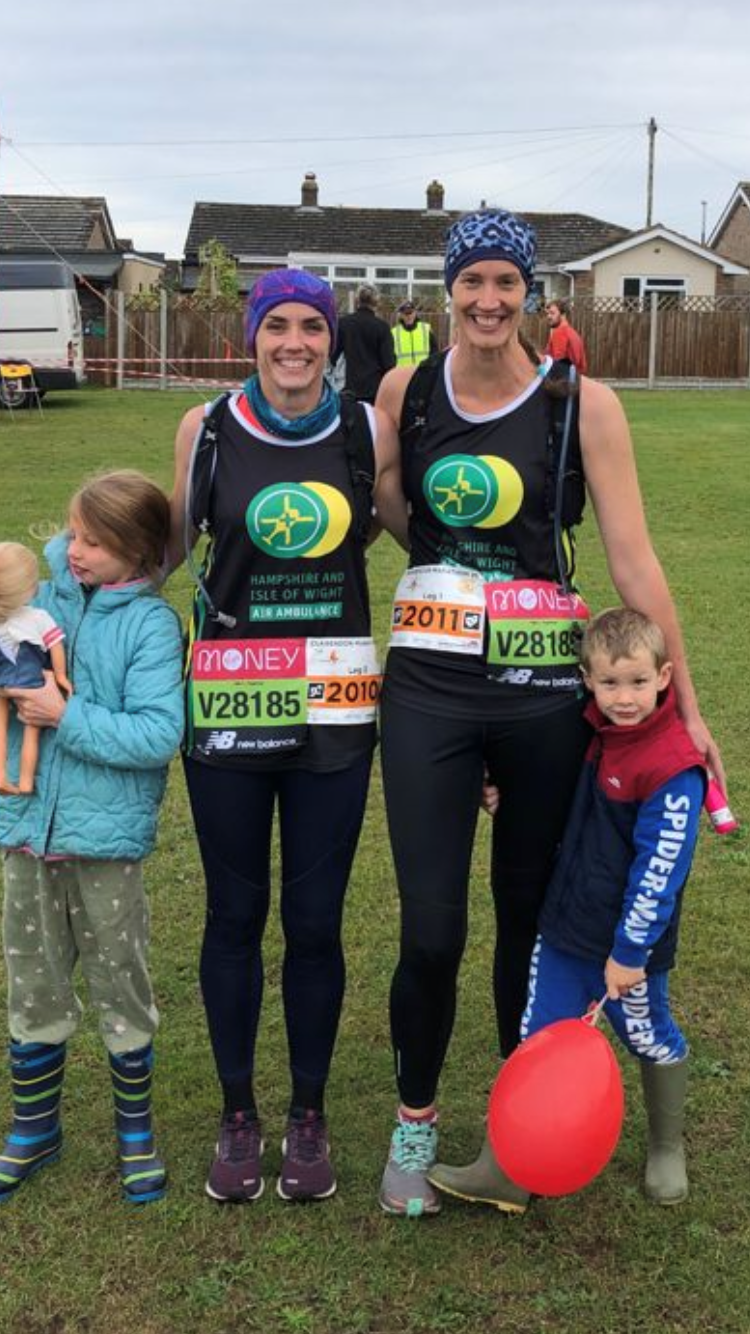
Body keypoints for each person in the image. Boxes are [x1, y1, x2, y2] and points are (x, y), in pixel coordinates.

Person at [373, 208, 722, 1218]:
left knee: (529, 928)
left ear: (532, 293)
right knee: (432, 927)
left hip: (540, 698)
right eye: (471, 281)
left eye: (506, 283)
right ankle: (415, 1121)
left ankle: (520, 1121)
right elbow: (395, 508)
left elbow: (633, 561)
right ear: (449, 288)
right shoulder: (405, 388)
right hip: (432, 688)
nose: (488, 300)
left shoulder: (584, 404)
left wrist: (683, 705)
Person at [168, 268, 405, 1205]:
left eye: (312, 325)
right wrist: (66, 591)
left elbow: (387, 531)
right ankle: (238, 1113)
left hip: (333, 706)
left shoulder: (363, 428)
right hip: (228, 705)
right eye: (278, 327)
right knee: (232, 917)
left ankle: (307, 1116)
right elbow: (173, 547)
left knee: (314, 924)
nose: (296, 342)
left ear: (331, 337)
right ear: (252, 336)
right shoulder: (207, 428)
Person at [435, 607, 706, 1213]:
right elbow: (561, 799)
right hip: (564, 929)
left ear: (664, 677)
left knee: (647, 1036)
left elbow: (659, 871)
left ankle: (666, 1144)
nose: (625, 697)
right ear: (588, 679)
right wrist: (506, 794)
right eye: (610, 683)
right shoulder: (594, 733)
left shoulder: (671, 767)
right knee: (539, 1039)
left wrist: (629, 954)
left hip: (624, 950)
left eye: (638, 682)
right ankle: (505, 1166)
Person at [0, 471, 184, 1205]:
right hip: (23, 829)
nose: (74, 551)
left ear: (137, 553)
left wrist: (61, 714)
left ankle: (135, 1132)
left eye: (94, 542)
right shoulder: (37, 601)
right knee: (32, 978)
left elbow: (157, 734)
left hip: (105, 844)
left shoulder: (151, 626)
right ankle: (33, 1127)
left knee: (119, 981)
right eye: (74, 535)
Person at [0, 542, 72, 795]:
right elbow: (55, 646)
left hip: (3, 680)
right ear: (28, 590)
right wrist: (60, 675)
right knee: (32, 728)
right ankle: (26, 782)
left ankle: (0, 774)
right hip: (28, 678)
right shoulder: (37, 616)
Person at [334, 284, 396, 403]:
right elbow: (389, 364)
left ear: (357, 300)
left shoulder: (343, 324)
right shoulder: (382, 327)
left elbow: (333, 357)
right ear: (376, 302)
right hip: (374, 390)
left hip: (348, 389)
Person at [391, 300, 438, 367]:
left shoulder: (426, 329)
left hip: (423, 372)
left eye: (411, 313)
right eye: (406, 313)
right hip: (403, 373)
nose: (409, 316)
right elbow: (390, 357)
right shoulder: (394, 333)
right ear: (401, 315)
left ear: (415, 313)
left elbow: (434, 352)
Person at [545, 298, 587, 373]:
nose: (548, 316)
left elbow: (558, 364)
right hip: (575, 379)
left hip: (563, 381)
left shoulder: (560, 332)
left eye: (552, 313)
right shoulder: (572, 332)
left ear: (563, 315)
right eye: (548, 313)